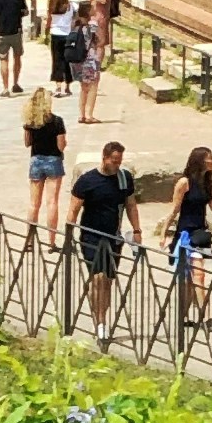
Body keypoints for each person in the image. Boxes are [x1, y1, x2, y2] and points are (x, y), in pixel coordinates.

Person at [70, 139, 142, 335]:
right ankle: (99, 321)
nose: (117, 165)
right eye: (114, 160)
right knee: (98, 278)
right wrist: (69, 235)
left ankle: (102, 318)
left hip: (113, 237)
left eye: (119, 161)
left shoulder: (124, 178)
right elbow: (73, 210)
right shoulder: (87, 181)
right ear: (104, 158)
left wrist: (137, 231)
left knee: (108, 281)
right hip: (91, 236)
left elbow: (131, 205)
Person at [167, 144, 212, 319]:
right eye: (209, 158)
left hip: (201, 233)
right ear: (200, 161)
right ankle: (206, 315)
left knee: (193, 278)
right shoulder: (185, 182)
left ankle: (185, 316)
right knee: (195, 275)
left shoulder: (207, 181)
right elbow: (175, 208)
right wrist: (164, 231)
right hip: (186, 234)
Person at [20, 79, 70, 247]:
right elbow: (61, 146)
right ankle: (52, 241)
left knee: (34, 203)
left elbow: (27, 143)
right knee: (52, 202)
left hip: (36, 160)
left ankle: (29, 240)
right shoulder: (57, 121)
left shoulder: (30, 122)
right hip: (53, 160)